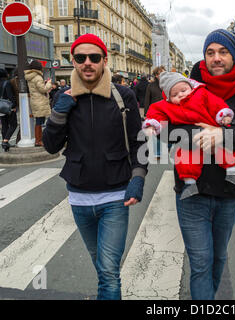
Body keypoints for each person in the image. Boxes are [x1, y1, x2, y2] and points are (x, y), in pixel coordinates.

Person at [42, 33, 148, 300]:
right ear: (74, 61)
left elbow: (139, 143)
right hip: (79, 198)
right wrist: (58, 112)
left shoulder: (123, 96)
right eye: (80, 58)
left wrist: (138, 177)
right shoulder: (64, 98)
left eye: (94, 57)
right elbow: (51, 146)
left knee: (109, 271)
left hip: (115, 197)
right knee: (101, 267)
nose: (87, 63)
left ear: (104, 60)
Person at [168, 29, 235, 300]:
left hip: (228, 192)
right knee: (200, 261)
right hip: (192, 191)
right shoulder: (185, 89)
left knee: (218, 257)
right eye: (210, 52)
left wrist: (223, 135)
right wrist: (205, 134)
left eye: (223, 52)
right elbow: (171, 133)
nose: (216, 58)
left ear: (234, 57)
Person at [143, 71, 235, 199]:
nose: (180, 95)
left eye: (183, 90)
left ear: (191, 87)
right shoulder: (167, 106)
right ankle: (190, 184)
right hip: (190, 142)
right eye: (174, 94)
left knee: (223, 151)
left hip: (212, 132)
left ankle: (232, 172)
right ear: (168, 98)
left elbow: (215, 103)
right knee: (185, 159)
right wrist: (153, 124)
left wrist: (223, 114)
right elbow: (156, 113)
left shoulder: (201, 93)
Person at [24, 60, 52, 147]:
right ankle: (38, 140)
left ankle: (38, 139)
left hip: (35, 100)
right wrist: (49, 83)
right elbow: (43, 89)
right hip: (40, 101)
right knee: (39, 122)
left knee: (39, 121)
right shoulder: (38, 77)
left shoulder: (30, 77)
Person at [144, 65, 166, 157]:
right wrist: (146, 114)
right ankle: (157, 152)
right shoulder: (151, 86)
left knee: (166, 131)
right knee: (156, 133)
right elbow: (147, 100)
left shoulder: (167, 84)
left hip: (166, 112)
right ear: (157, 75)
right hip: (154, 113)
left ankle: (166, 148)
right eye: (162, 73)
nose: (164, 74)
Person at [0, 68, 17, 152]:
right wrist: (13, 106)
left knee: (4, 125)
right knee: (13, 124)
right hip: (7, 106)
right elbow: (10, 96)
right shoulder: (7, 83)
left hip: (0, 107)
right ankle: (5, 141)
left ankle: (5, 145)